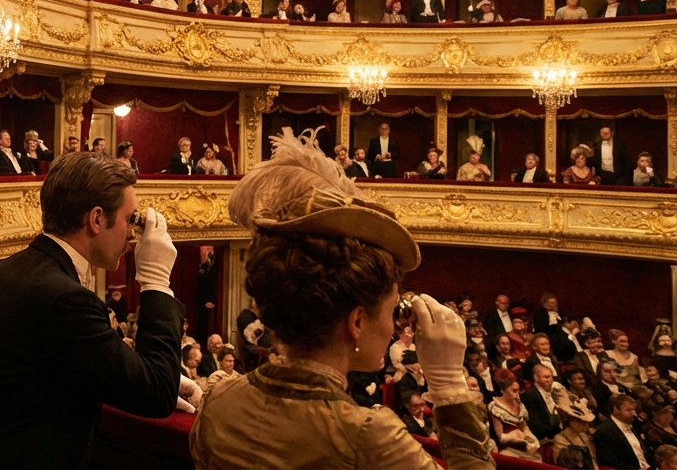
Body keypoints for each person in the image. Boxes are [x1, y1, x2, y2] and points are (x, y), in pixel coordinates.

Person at [189, 128, 491, 469]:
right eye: (392, 311)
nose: (393, 327)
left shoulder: (220, 399)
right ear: (357, 321)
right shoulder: (368, 435)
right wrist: (449, 384)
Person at [0, 152, 186, 470]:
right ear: (97, 219)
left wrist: (145, 368)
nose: (132, 233)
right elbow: (155, 393)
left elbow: (84, 364)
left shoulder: (12, 270)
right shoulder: (63, 300)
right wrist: (156, 281)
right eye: (130, 220)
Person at [491, 369, 543, 460]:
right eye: (514, 391)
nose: (517, 394)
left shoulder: (519, 404)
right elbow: (501, 436)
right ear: (503, 391)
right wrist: (519, 441)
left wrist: (532, 439)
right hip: (510, 449)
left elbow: (524, 426)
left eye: (518, 391)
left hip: (526, 447)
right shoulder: (495, 407)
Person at [595, 394, 650, 470]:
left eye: (634, 410)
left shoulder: (632, 425)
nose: (633, 413)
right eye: (628, 410)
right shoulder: (604, 431)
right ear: (616, 409)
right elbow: (610, 461)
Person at [551, 394, 599, 469]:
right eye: (580, 421)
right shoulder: (559, 440)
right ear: (570, 420)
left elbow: (593, 462)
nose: (585, 425)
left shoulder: (584, 437)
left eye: (586, 422)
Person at [523, 364, 565, 442]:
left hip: (561, 432)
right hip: (545, 438)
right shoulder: (529, 395)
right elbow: (534, 423)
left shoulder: (556, 391)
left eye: (551, 377)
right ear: (536, 378)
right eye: (546, 377)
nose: (549, 380)